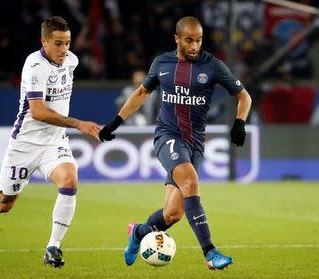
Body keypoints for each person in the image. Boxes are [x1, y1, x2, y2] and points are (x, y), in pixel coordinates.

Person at [99, 16, 251, 270]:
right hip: (168, 137)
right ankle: (210, 253)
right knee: (190, 181)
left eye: (199, 40)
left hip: (195, 144)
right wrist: (115, 123)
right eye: (189, 40)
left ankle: (137, 232)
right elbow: (140, 94)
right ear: (177, 39)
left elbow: (244, 97)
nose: (194, 46)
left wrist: (239, 123)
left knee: (173, 214)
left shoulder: (212, 66)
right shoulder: (162, 63)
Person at [0, 16, 101, 268]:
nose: (64, 50)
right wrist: (78, 123)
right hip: (25, 144)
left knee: (70, 180)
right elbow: (38, 111)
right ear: (44, 41)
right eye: (58, 44)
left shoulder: (71, 61)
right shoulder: (34, 65)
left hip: (54, 142)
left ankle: (53, 247)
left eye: (68, 43)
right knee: (5, 203)